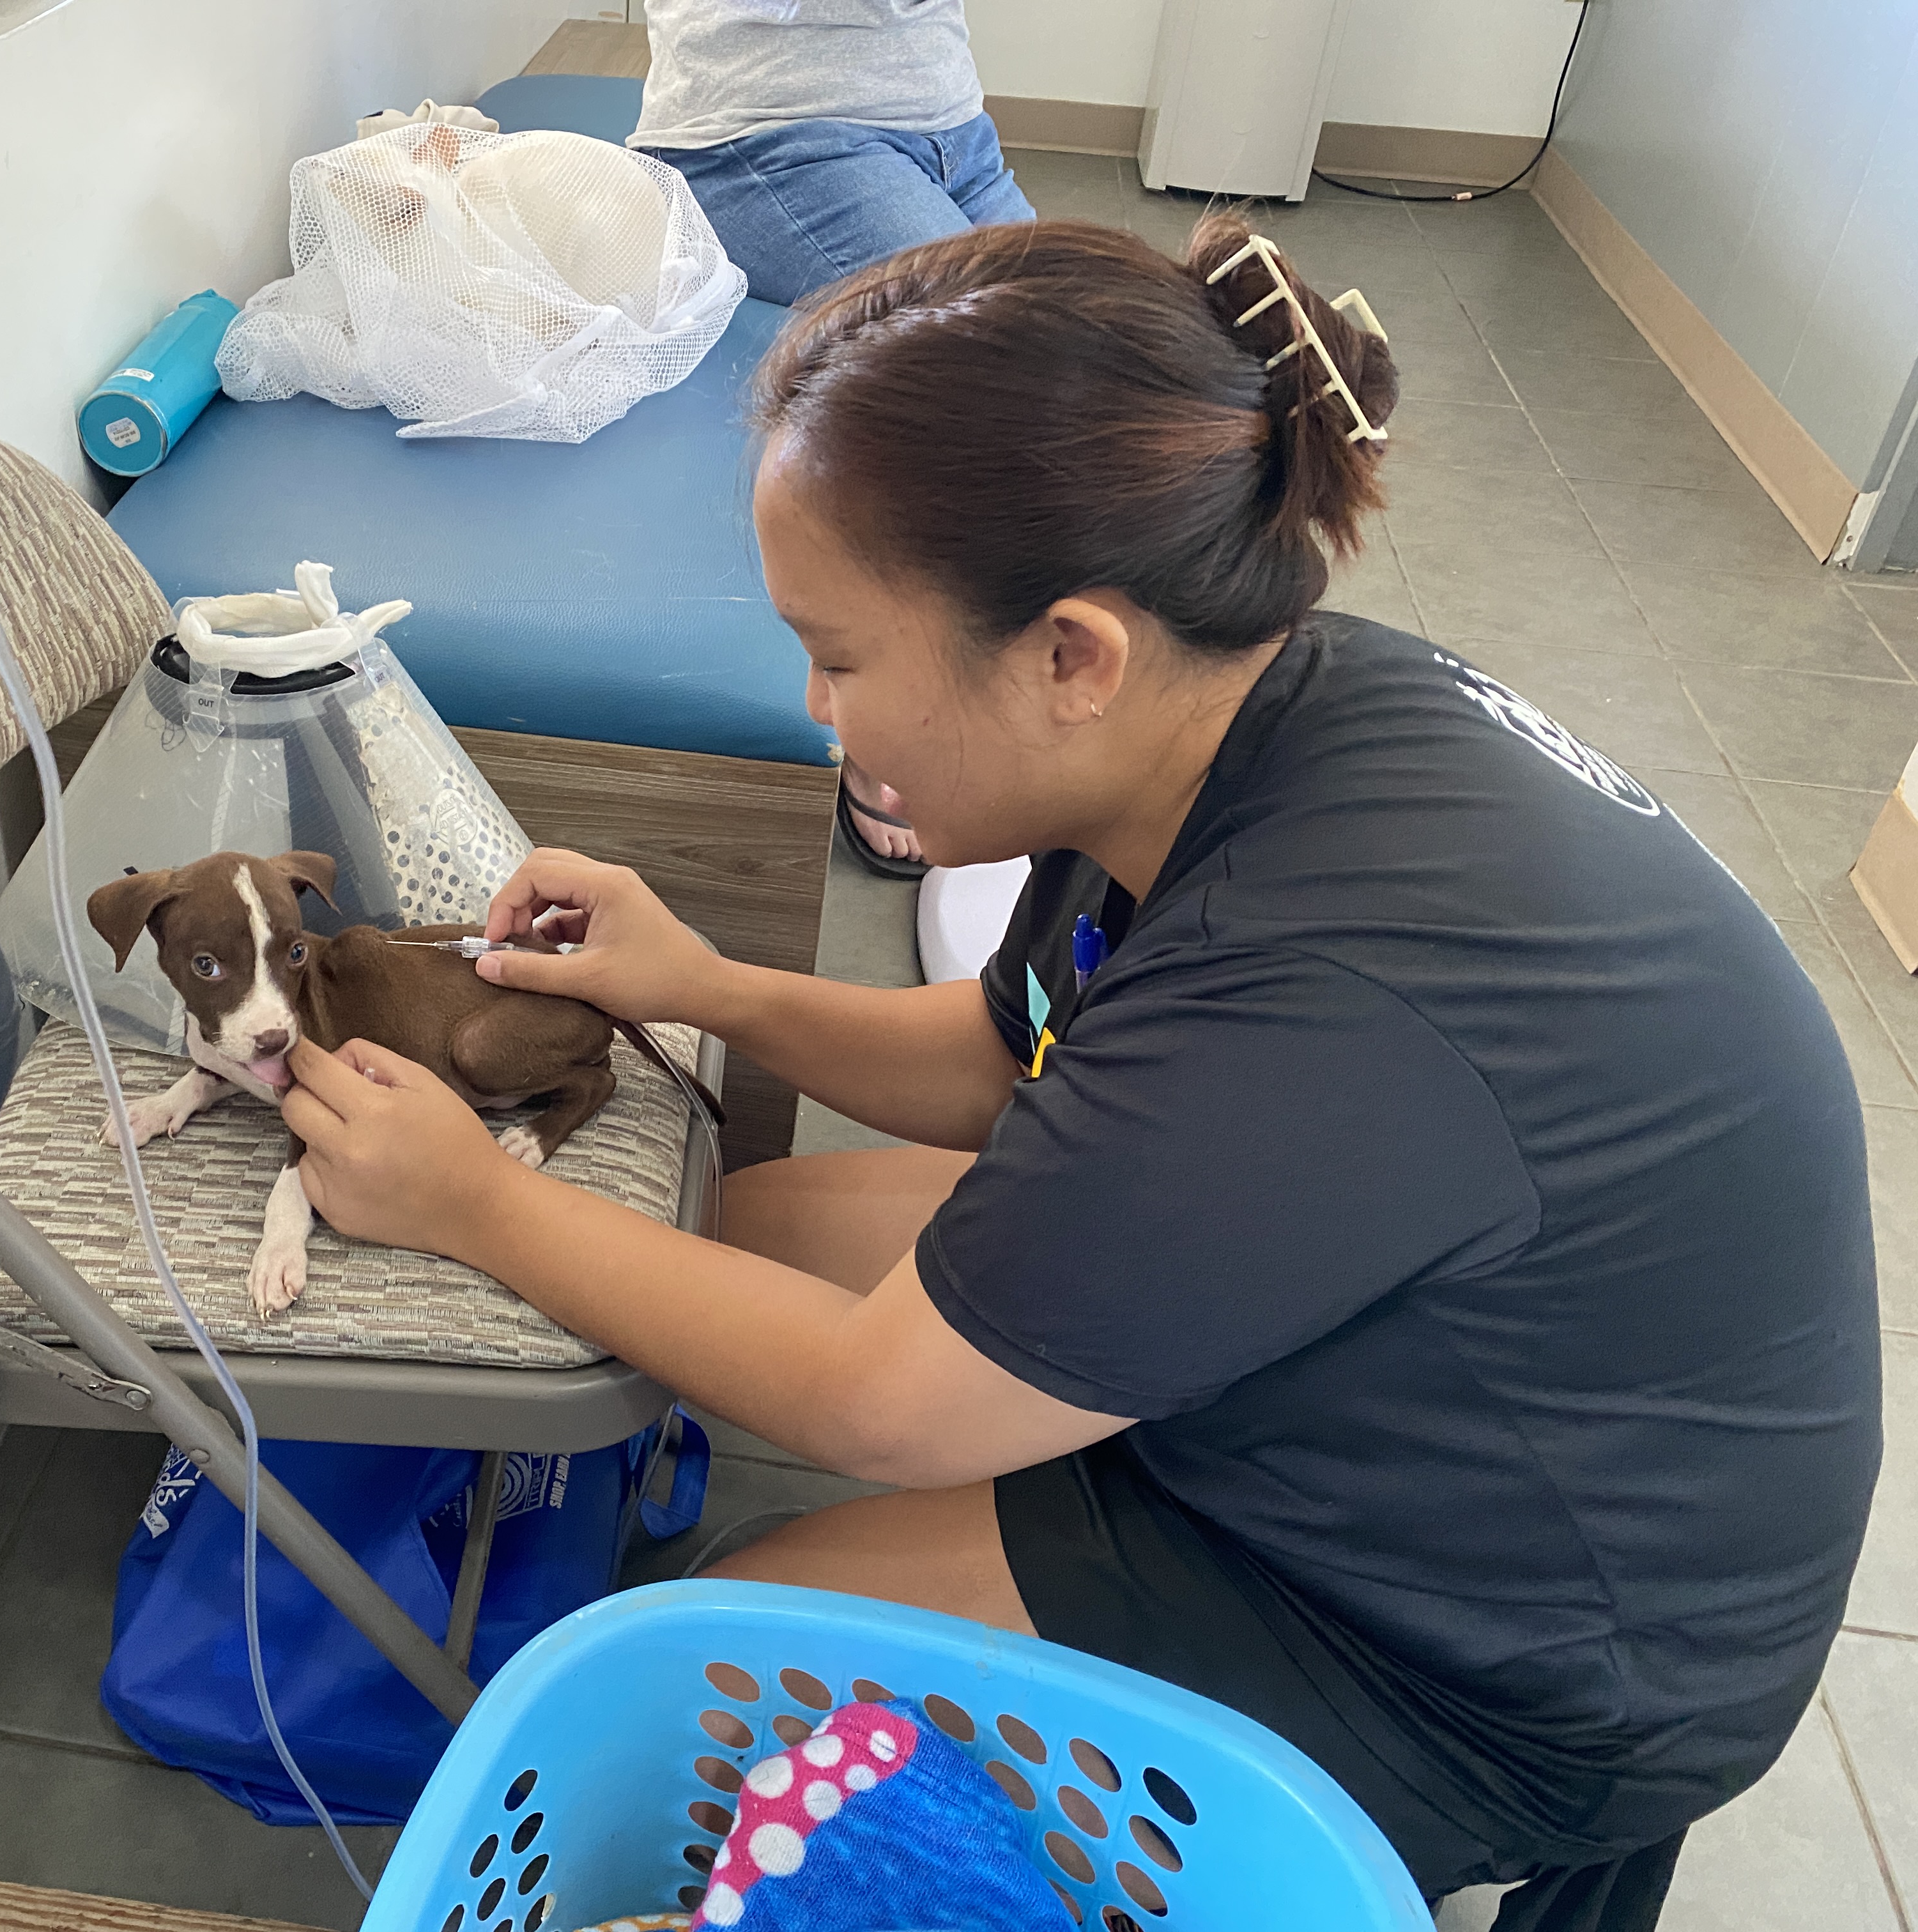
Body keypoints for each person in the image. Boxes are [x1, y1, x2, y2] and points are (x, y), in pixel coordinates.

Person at [279, 217, 1881, 1931]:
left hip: (1499, 1647)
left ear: (1069, 654)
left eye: (841, 656)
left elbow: (877, 1407)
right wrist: (708, 982)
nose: (819, 713)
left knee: (736, 1678)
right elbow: (1003, 1054)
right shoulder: (1223, 725)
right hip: (1406, 1373)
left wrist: (469, 1206)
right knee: (734, 1229)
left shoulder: (1315, 984)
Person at [630, 0, 1035, 876]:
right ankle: (882, 725)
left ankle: (1017, 675)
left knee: (1084, 359)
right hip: (768, 132)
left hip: (949, 124)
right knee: (989, 388)